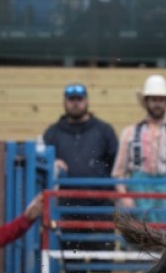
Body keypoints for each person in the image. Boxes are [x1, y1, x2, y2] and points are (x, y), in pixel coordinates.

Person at [111, 75, 166, 224]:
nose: (157, 104)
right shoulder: (129, 133)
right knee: (136, 235)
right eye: (153, 99)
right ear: (146, 102)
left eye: (161, 100)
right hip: (137, 191)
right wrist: (124, 196)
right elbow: (118, 172)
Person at [42, 83, 120, 252]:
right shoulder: (52, 133)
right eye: (71, 99)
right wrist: (51, 162)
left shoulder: (104, 130)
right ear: (65, 102)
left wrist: (116, 195)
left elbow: (117, 166)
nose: (75, 103)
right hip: (66, 209)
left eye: (79, 99)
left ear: (86, 101)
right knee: (72, 267)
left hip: (100, 209)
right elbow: (41, 167)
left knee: (102, 266)